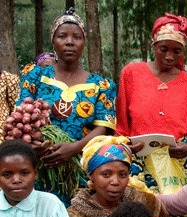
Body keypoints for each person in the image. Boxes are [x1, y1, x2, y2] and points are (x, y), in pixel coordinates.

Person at [116, 13, 187, 195]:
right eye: (163, 49)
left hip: (177, 164)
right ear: (154, 45)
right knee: (140, 215)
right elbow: (121, 125)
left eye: (177, 51)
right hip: (138, 161)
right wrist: (124, 146)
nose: (169, 56)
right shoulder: (132, 74)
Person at [18, 8, 117, 167]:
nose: (69, 42)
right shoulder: (35, 76)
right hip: (39, 164)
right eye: (62, 36)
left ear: (83, 42)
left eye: (77, 37)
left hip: (82, 165)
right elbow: (21, 116)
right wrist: (31, 146)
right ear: (53, 41)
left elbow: (103, 128)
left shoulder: (101, 86)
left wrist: (74, 148)